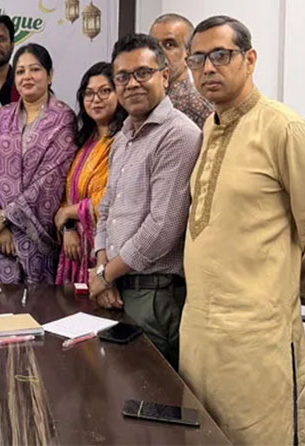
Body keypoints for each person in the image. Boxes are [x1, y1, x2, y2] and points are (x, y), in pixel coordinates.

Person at [181, 15, 305, 446]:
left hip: (257, 339)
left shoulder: (284, 128)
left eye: (220, 55)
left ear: (249, 60)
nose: (207, 68)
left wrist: (293, 292)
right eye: (197, 59)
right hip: (199, 336)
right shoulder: (209, 127)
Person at [88, 33, 201, 370]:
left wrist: (106, 274)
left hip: (155, 295)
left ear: (164, 76)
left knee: (151, 394)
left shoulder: (178, 134)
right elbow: (107, 208)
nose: (132, 84)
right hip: (119, 287)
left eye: (142, 73)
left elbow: (163, 227)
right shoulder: (123, 137)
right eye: (123, 76)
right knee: (116, 386)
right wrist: (103, 268)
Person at [0, 43, 76, 284]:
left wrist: (6, 219)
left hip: (39, 236)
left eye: (35, 69)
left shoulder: (63, 118)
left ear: (50, 75)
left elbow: (51, 179)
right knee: (1, 303)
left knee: (39, 304)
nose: (27, 76)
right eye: (21, 71)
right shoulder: (0, 116)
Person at [54, 62, 126, 285]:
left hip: (108, 250)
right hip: (76, 248)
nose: (96, 99)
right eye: (89, 93)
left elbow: (115, 198)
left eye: (105, 91)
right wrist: (68, 228)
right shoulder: (84, 142)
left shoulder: (125, 140)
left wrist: (69, 212)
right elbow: (67, 194)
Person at [149, 13, 212, 128]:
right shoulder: (146, 98)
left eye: (169, 45)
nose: (158, 53)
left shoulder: (197, 105)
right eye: (153, 45)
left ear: (189, 55)